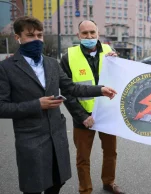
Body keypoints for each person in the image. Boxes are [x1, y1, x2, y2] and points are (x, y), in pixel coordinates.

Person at [0, 16, 117, 194]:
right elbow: (2, 106)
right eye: (31, 36)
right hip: (32, 136)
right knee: (34, 186)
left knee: (57, 182)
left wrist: (101, 89)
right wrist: (37, 104)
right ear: (18, 38)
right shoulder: (6, 67)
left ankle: (106, 183)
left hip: (57, 133)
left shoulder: (51, 63)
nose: (37, 40)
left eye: (40, 35)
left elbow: (72, 88)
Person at [60, 20, 124, 194]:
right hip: (83, 116)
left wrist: (118, 64)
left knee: (111, 152)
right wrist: (81, 116)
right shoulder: (68, 57)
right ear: (78, 35)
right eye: (85, 33)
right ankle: (85, 190)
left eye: (92, 33)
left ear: (98, 33)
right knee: (83, 157)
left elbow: (121, 80)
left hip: (107, 113)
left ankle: (109, 182)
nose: (89, 36)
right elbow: (66, 90)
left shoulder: (111, 53)